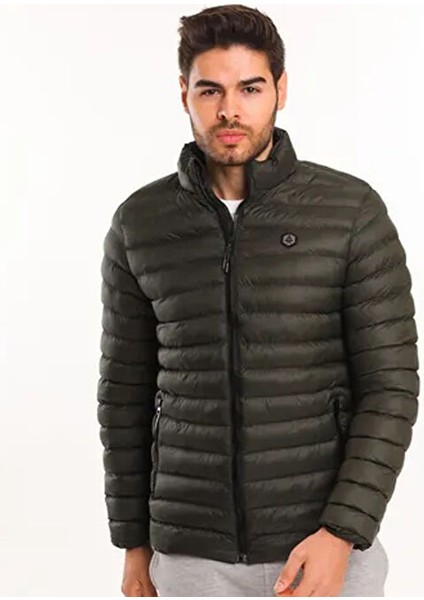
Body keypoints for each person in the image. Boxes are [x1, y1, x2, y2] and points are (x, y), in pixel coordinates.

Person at [97, 4, 419, 597]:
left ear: (280, 90)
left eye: (250, 88)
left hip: (325, 550)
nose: (230, 110)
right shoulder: (140, 223)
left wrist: (341, 533)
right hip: (194, 558)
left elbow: (390, 387)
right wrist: (134, 545)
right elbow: (125, 396)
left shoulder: (350, 212)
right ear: (184, 94)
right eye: (210, 90)